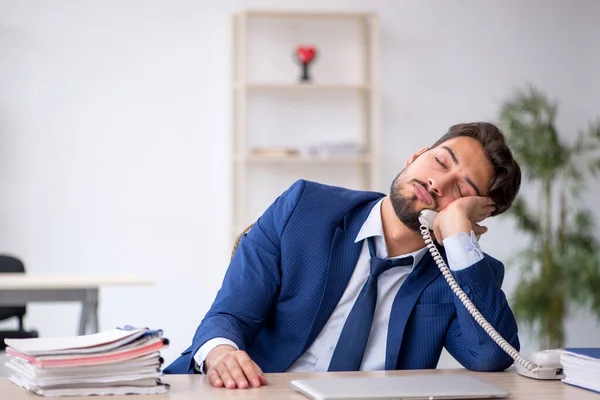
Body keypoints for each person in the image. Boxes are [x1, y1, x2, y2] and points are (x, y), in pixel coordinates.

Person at [164, 122, 522, 390]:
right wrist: (222, 354)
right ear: (416, 157)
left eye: (461, 190)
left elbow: (489, 356)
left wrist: (459, 236)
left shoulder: (463, 274)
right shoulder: (304, 208)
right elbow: (228, 315)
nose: (437, 184)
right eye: (440, 162)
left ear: (478, 213)